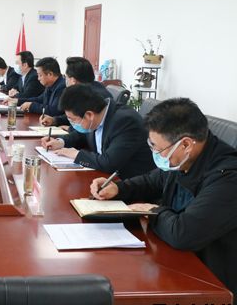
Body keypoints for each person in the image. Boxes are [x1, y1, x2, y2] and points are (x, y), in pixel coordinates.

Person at [89, 98, 237, 295]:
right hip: (176, 259)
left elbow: (183, 234)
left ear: (186, 144)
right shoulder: (184, 159)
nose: (155, 154)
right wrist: (118, 188)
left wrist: (153, 211)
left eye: (158, 149)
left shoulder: (228, 177)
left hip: (213, 281)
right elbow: (152, 181)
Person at [41, 84, 154, 179]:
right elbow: (82, 135)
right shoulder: (98, 116)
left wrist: (76, 154)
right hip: (103, 177)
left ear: (89, 115)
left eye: (73, 120)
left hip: (128, 183)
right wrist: (61, 142)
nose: (72, 124)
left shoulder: (125, 121)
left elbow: (109, 163)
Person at [41, 56, 112, 128]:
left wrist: (70, 129)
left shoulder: (91, 96)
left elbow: (89, 124)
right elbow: (76, 115)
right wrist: (55, 120)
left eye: (66, 77)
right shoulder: (91, 88)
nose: (65, 80)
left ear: (73, 81)